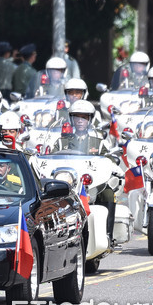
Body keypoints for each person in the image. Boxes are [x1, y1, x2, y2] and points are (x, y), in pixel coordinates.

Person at [52, 100, 115, 240]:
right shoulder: (61, 142)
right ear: (71, 119)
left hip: (91, 182)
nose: (80, 121)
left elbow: (108, 159)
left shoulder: (98, 142)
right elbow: (51, 160)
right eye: (77, 117)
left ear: (90, 119)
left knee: (108, 193)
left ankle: (108, 234)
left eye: (84, 117)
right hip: (69, 181)